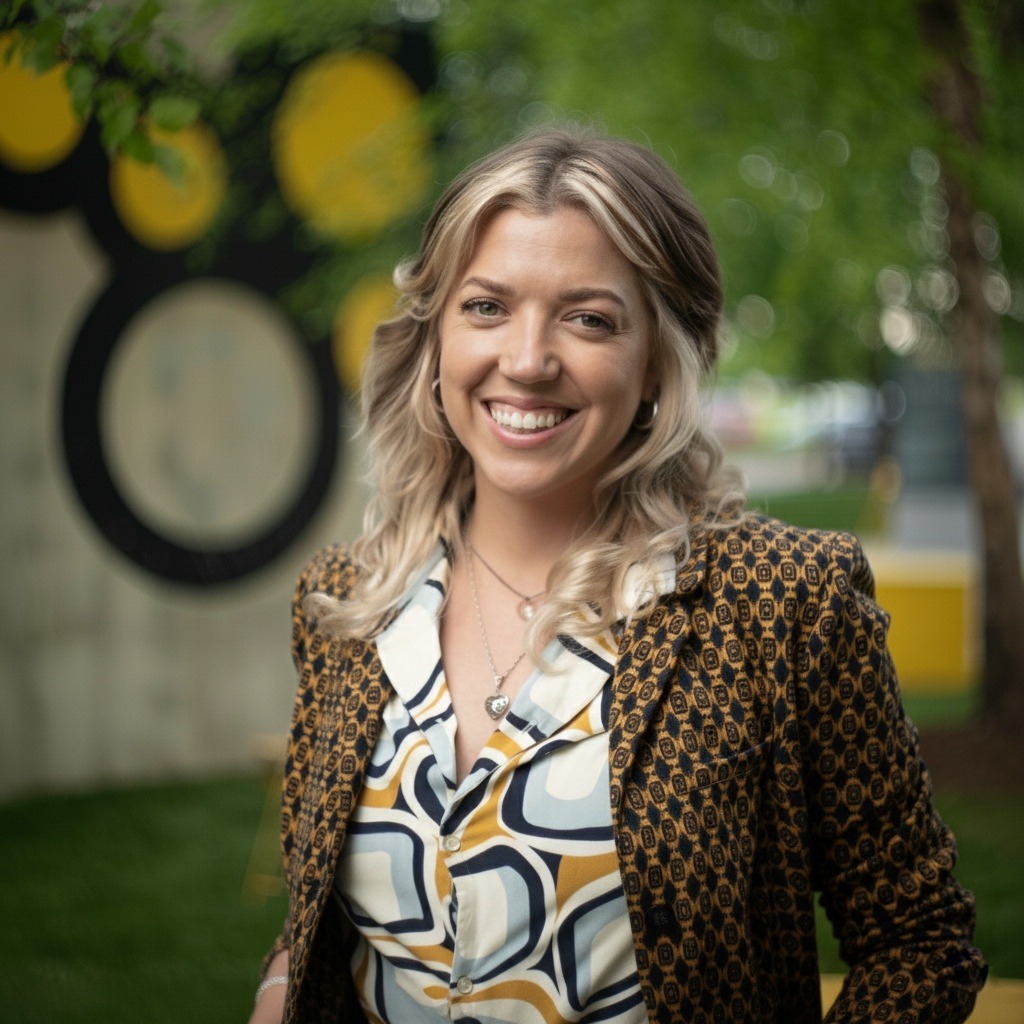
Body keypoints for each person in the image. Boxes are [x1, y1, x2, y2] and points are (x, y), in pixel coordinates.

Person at [249, 125, 986, 1024]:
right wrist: (283, 983)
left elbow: (919, 940)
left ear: (656, 364)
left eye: (588, 318)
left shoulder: (784, 601)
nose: (526, 359)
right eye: (486, 306)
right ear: (436, 334)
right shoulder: (346, 600)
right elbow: (320, 914)